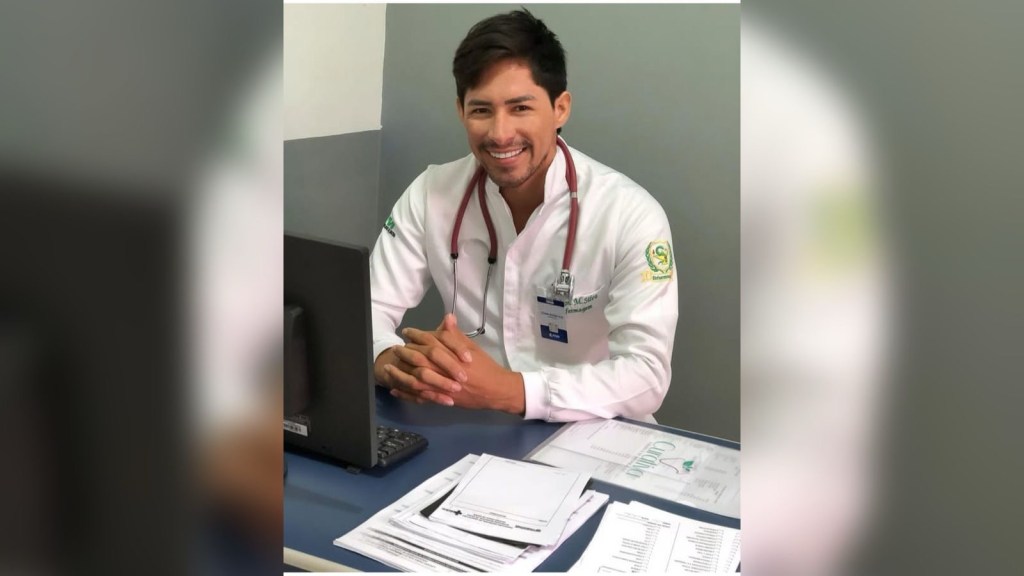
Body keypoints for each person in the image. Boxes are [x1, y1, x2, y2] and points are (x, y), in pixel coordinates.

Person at [370, 9, 678, 423]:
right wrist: (396, 362)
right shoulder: (431, 194)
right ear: (461, 110)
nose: (500, 133)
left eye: (520, 108)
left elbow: (646, 375)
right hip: (473, 428)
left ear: (560, 108)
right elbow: (365, 311)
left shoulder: (629, 215)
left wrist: (510, 391)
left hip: (591, 434)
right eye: (481, 110)